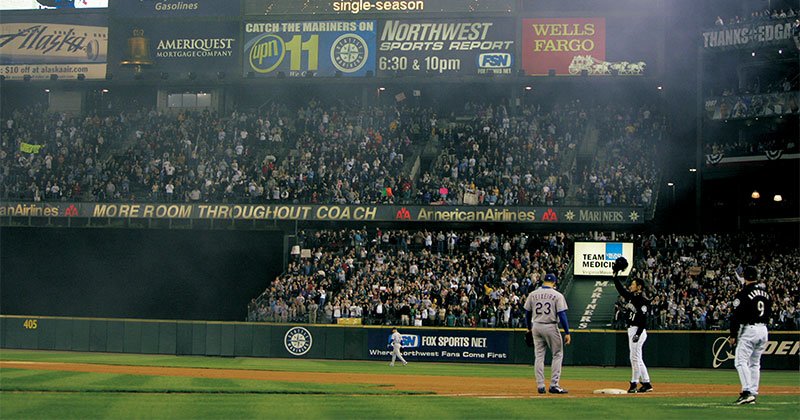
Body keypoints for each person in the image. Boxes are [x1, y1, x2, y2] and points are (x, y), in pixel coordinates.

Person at [728, 266, 771, 405]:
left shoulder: (743, 293)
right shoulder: (765, 293)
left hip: (750, 329)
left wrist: (733, 334)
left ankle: (746, 392)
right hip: (764, 329)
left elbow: (735, 316)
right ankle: (752, 393)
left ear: (745, 277)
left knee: (740, 361)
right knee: (755, 363)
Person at [524, 273, 571, 394]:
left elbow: (527, 312)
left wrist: (529, 328)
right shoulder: (557, 295)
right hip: (550, 326)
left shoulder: (533, 294)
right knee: (557, 354)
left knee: (539, 356)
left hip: (536, 326)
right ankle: (554, 384)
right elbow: (562, 314)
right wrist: (567, 332)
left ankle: (540, 385)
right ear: (554, 283)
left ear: (544, 281)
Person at [612, 257, 653, 393]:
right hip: (632, 330)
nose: (630, 285)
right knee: (636, 357)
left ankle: (634, 384)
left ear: (639, 287)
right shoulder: (632, 297)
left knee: (634, 357)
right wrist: (615, 275)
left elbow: (643, 321)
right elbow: (621, 290)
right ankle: (646, 383)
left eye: (633, 284)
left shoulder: (642, 301)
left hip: (638, 331)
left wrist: (637, 334)